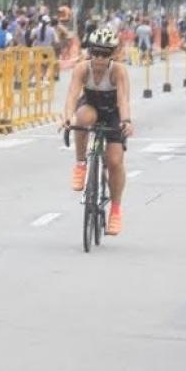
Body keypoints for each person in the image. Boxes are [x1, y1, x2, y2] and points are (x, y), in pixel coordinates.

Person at [63, 26, 134, 236]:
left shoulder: (118, 71)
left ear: (113, 54)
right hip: (92, 106)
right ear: (89, 51)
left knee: (114, 161)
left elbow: (123, 100)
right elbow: (72, 95)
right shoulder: (82, 69)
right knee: (82, 118)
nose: (99, 58)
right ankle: (81, 164)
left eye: (105, 53)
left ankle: (115, 210)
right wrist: (67, 117)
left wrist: (126, 121)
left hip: (113, 111)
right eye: (95, 52)